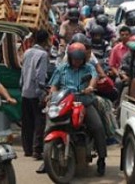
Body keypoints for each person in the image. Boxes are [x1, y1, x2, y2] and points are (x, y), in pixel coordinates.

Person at [47, 42, 107, 176]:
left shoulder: (89, 68)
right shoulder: (61, 68)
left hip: (84, 103)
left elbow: (94, 78)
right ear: (69, 57)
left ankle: (102, 159)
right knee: (49, 124)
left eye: (80, 59)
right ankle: (47, 157)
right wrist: (51, 95)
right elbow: (54, 86)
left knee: (97, 127)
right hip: (64, 103)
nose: (77, 62)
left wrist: (90, 87)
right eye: (75, 59)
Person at [20, 30, 49, 160]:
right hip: (36, 92)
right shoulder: (43, 55)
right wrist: (42, 92)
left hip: (25, 90)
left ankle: (27, 149)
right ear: (45, 41)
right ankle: (37, 150)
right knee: (39, 121)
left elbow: (23, 72)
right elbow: (40, 75)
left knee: (27, 122)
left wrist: (22, 85)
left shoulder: (27, 52)